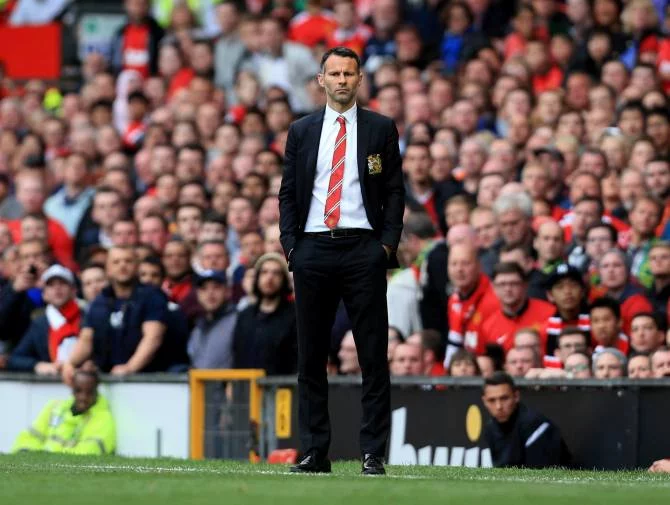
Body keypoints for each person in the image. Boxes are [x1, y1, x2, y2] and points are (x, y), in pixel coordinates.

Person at [279, 47, 404, 475]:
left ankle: (373, 452)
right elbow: (288, 192)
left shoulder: (380, 128)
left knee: (372, 354)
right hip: (313, 248)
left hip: (362, 248)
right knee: (311, 357)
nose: (342, 80)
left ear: (360, 79)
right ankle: (315, 451)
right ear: (321, 80)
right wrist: (291, 246)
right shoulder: (301, 131)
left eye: (349, 73)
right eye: (334, 74)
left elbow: (394, 190)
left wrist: (385, 245)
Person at [61, 246, 168, 382]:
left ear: (137, 266)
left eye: (128, 261)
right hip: (109, 377)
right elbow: (86, 339)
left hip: (148, 379)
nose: (122, 266)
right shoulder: (100, 301)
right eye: (116, 262)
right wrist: (71, 363)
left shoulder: (152, 296)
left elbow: (153, 337)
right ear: (108, 269)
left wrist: (130, 367)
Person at [12, 365, 116, 455]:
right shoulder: (54, 407)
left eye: (89, 392)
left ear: (97, 390)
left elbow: (89, 453)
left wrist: (47, 455)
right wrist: (25, 452)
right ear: (72, 389)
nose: (83, 397)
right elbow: (29, 438)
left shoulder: (103, 417)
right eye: (78, 390)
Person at [482, 372, 571, 468]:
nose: (498, 406)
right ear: (484, 401)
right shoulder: (490, 428)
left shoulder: (536, 425)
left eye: (504, 398)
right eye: (492, 400)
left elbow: (541, 473)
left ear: (516, 396)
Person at [5, 265, 82, 374]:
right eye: (51, 285)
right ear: (44, 294)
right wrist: (38, 365)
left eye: (62, 283)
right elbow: (15, 359)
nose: (57, 288)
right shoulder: (39, 323)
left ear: (73, 290)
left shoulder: (87, 316)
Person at [232, 253, 297, 375]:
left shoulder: (295, 316)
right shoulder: (245, 315)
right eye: (264, 272)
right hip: (246, 384)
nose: (269, 278)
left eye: (276, 273)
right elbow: (237, 354)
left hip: (282, 385)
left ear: (284, 279)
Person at [479, 262, 556, 352]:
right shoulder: (488, 327)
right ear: (493, 287)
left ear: (525, 285)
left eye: (514, 283)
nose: (508, 289)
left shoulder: (550, 314)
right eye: (502, 284)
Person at [188, 269, 237, 369]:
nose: (210, 293)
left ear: (227, 291)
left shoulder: (238, 321)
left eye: (216, 287)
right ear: (197, 294)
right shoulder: (198, 326)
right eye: (204, 288)